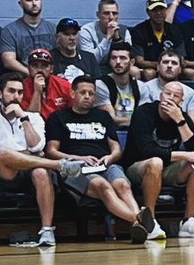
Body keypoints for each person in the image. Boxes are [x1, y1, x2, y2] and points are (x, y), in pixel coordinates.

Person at [0, 73, 83, 247]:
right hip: (5, 175)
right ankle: (57, 165)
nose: (16, 96)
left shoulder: (33, 118)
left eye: (20, 92)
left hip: (32, 171)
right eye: (11, 91)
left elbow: (37, 147)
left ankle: (47, 231)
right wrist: (31, 155)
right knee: (3, 153)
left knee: (41, 171)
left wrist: (24, 118)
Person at [44, 76, 155, 243]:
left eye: (91, 93)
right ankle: (138, 219)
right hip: (76, 166)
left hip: (105, 163)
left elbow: (116, 148)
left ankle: (137, 225)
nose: (87, 96)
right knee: (103, 186)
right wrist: (77, 158)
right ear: (72, 93)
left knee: (123, 185)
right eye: (83, 92)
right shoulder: (58, 117)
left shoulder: (103, 116)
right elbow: (51, 151)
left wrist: (109, 158)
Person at [124, 81, 194, 240]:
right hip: (137, 166)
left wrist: (180, 121)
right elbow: (146, 151)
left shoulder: (182, 117)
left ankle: (188, 221)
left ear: (181, 102)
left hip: (167, 169)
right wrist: (185, 155)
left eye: (175, 96)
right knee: (155, 162)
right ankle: (149, 222)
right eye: (167, 94)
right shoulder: (143, 113)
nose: (170, 98)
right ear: (160, 96)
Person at [49, 17, 112, 112]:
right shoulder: (50, 59)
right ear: (57, 38)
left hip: (87, 108)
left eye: (74, 34)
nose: (72, 38)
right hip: (59, 108)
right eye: (67, 34)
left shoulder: (89, 58)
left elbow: (97, 86)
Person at [0, 0, 56, 73]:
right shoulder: (10, 31)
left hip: (51, 76)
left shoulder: (53, 28)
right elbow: (8, 61)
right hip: (23, 77)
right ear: (20, 4)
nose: (34, 3)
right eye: (29, 0)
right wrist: (32, 75)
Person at [130, 0, 186, 78]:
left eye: (161, 9)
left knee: (188, 72)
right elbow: (139, 61)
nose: (159, 13)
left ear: (166, 10)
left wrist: (168, 65)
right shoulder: (138, 31)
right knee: (149, 72)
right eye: (154, 10)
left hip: (171, 66)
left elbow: (181, 58)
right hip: (149, 68)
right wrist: (161, 65)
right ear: (148, 12)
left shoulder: (175, 30)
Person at [100, 42, 147, 129]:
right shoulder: (101, 84)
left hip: (134, 133)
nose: (118, 62)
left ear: (132, 62)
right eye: (114, 58)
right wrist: (137, 121)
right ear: (109, 61)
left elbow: (144, 117)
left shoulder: (141, 86)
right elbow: (111, 119)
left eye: (122, 58)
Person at [21, 48, 73, 120]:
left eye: (44, 65)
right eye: (35, 65)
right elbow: (31, 119)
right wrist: (37, 92)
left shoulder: (65, 86)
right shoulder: (21, 88)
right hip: (33, 128)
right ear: (29, 68)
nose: (39, 70)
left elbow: (73, 113)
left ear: (51, 69)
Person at [78, 0, 132, 64]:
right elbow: (89, 61)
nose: (111, 17)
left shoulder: (124, 31)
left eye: (114, 13)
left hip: (116, 68)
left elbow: (127, 59)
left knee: (134, 71)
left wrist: (117, 39)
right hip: (95, 68)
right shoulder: (86, 31)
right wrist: (107, 39)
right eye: (106, 13)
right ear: (98, 15)